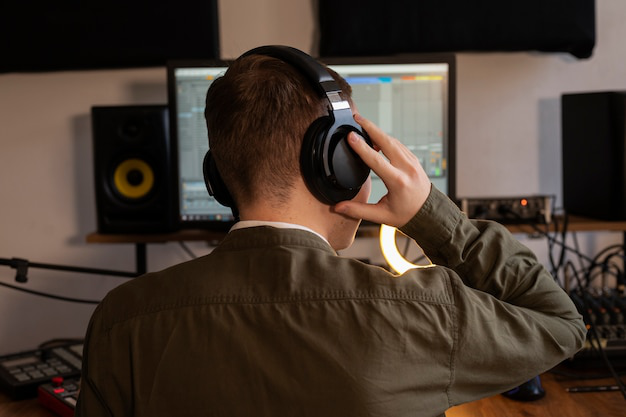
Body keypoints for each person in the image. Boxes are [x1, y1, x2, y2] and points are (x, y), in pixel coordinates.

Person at [75, 46, 586, 417]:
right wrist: (430, 212)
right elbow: (561, 323)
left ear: (218, 178)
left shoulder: (123, 320)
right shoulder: (422, 315)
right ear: (337, 167)